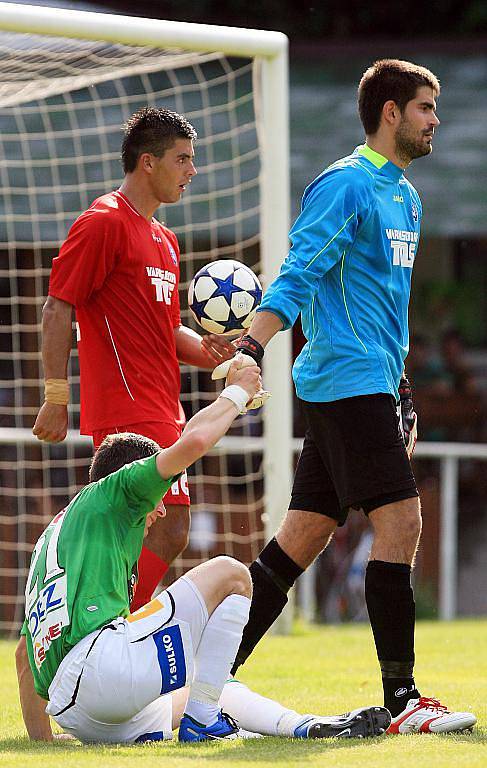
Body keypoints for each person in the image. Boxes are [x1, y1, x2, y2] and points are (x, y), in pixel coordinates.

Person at [213, 59, 476, 735]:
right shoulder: (345, 184)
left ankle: (206, 682)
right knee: (402, 523)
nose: (433, 121)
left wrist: (404, 389)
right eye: (424, 108)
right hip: (344, 382)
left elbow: (386, 308)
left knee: (299, 539)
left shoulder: (408, 198)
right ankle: (403, 701)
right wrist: (251, 347)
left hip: (372, 385)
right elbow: (296, 273)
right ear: (389, 113)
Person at [15, 358, 390, 744]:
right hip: (101, 671)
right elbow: (193, 442)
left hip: (77, 711)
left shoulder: (55, 538)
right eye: (159, 496)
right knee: (231, 574)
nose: (161, 510)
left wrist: (43, 742)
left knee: (209, 686)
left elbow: (23, 657)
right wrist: (239, 391)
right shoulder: (119, 489)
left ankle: (306, 726)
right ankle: (203, 721)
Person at [32, 106, 236, 611]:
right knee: (167, 528)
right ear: (148, 162)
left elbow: (167, 331)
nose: (192, 171)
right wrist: (56, 397)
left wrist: (221, 363)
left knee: (157, 530)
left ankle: (106, 624)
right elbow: (57, 308)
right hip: (126, 408)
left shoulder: (165, 240)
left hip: (164, 406)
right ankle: (109, 627)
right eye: (183, 159)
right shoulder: (103, 223)